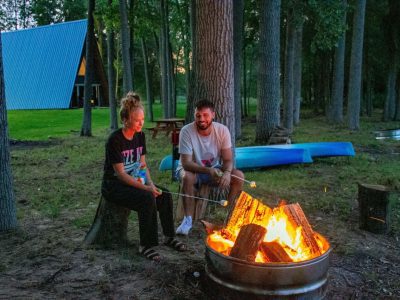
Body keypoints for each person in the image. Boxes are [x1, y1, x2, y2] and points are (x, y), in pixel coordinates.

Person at [101, 92, 186, 262]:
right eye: (137, 119)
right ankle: (146, 245)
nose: (141, 123)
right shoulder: (115, 140)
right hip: (114, 185)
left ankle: (169, 236)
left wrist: (152, 184)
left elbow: (142, 165)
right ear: (125, 120)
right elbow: (121, 175)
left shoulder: (140, 136)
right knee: (147, 198)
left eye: (143, 119)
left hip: (133, 178)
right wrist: (147, 189)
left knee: (164, 194)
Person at [175, 99, 244, 235]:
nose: (201, 119)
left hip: (214, 169)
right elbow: (186, 163)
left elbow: (228, 159)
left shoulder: (222, 130)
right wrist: (209, 170)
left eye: (205, 115)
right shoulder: (186, 131)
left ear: (213, 114)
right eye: (198, 115)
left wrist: (227, 172)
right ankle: (187, 220)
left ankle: (228, 215)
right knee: (187, 177)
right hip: (191, 170)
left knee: (239, 176)